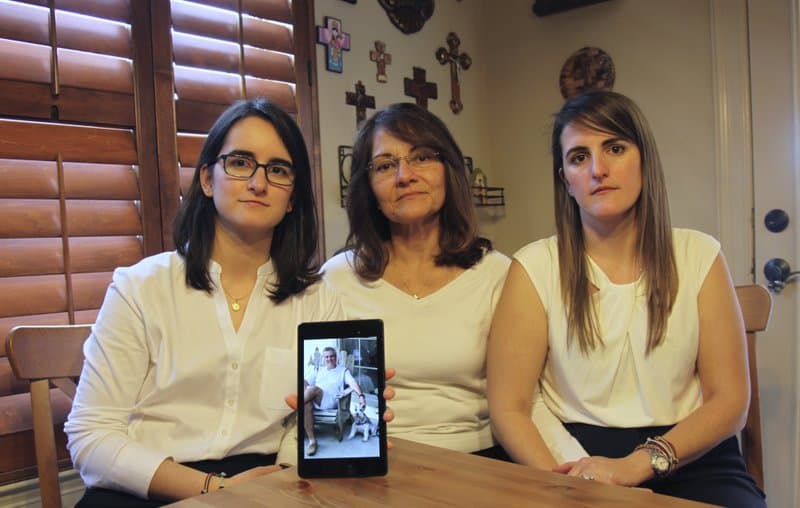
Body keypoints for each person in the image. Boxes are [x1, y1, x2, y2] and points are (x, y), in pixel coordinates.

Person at [486, 90, 765, 507]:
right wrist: (567, 483)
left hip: (690, 453)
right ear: (565, 180)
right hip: (571, 455)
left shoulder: (700, 255)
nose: (598, 169)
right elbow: (510, 407)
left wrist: (637, 465)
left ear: (644, 161)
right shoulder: (534, 266)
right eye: (579, 157)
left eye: (614, 148)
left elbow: (729, 401)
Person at [64, 98, 345, 506]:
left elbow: (304, 424)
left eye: (278, 170)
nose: (259, 183)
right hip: (148, 484)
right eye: (240, 162)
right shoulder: (141, 287)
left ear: (292, 198)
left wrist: (286, 472)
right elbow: (91, 434)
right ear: (208, 180)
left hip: (266, 485)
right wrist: (218, 491)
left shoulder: (318, 299)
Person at [322, 102, 511, 458]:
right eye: (385, 165)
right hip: (371, 460)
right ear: (368, 188)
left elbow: (525, 402)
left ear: (449, 171)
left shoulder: (499, 274)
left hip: (478, 460)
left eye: (422, 157)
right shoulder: (336, 278)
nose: (404, 175)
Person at [303, 347, 365, 455]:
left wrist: (361, 395)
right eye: (327, 357)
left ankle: (293, 409)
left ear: (336, 357)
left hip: (331, 400)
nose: (329, 359)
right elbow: (305, 382)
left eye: (332, 356)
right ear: (324, 358)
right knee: (306, 401)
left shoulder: (343, 371)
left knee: (314, 389)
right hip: (314, 399)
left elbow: (353, 383)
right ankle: (312, 441)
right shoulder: (319, 370)